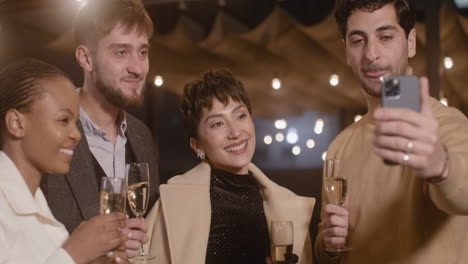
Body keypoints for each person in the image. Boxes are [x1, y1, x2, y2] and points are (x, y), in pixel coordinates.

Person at [315, 0, 468, 263]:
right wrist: (328, 243)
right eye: (358, 40)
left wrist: (441, 165)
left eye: (385, 36)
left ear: (410, 43)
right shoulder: (340, 145)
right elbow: (326, 247)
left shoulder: (446, 123)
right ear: (346, 52)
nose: (371, 54)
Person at [143, 69, 316, 264]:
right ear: (196, 145)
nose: (235, 132)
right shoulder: (172, 204)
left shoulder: (287, 205)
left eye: (240, 116)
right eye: (217, 124)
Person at [40, 0, 159, 258]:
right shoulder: (46, 132)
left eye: (143, 52)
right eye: (121, 52)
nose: (137, 68)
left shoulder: (142, 138)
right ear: (86, 58)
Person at [0, 58, 129, 264]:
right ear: (17, 123)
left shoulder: (38, 205)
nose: (77, 135)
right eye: (63, 120)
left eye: (76, 123)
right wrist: (74, 254)